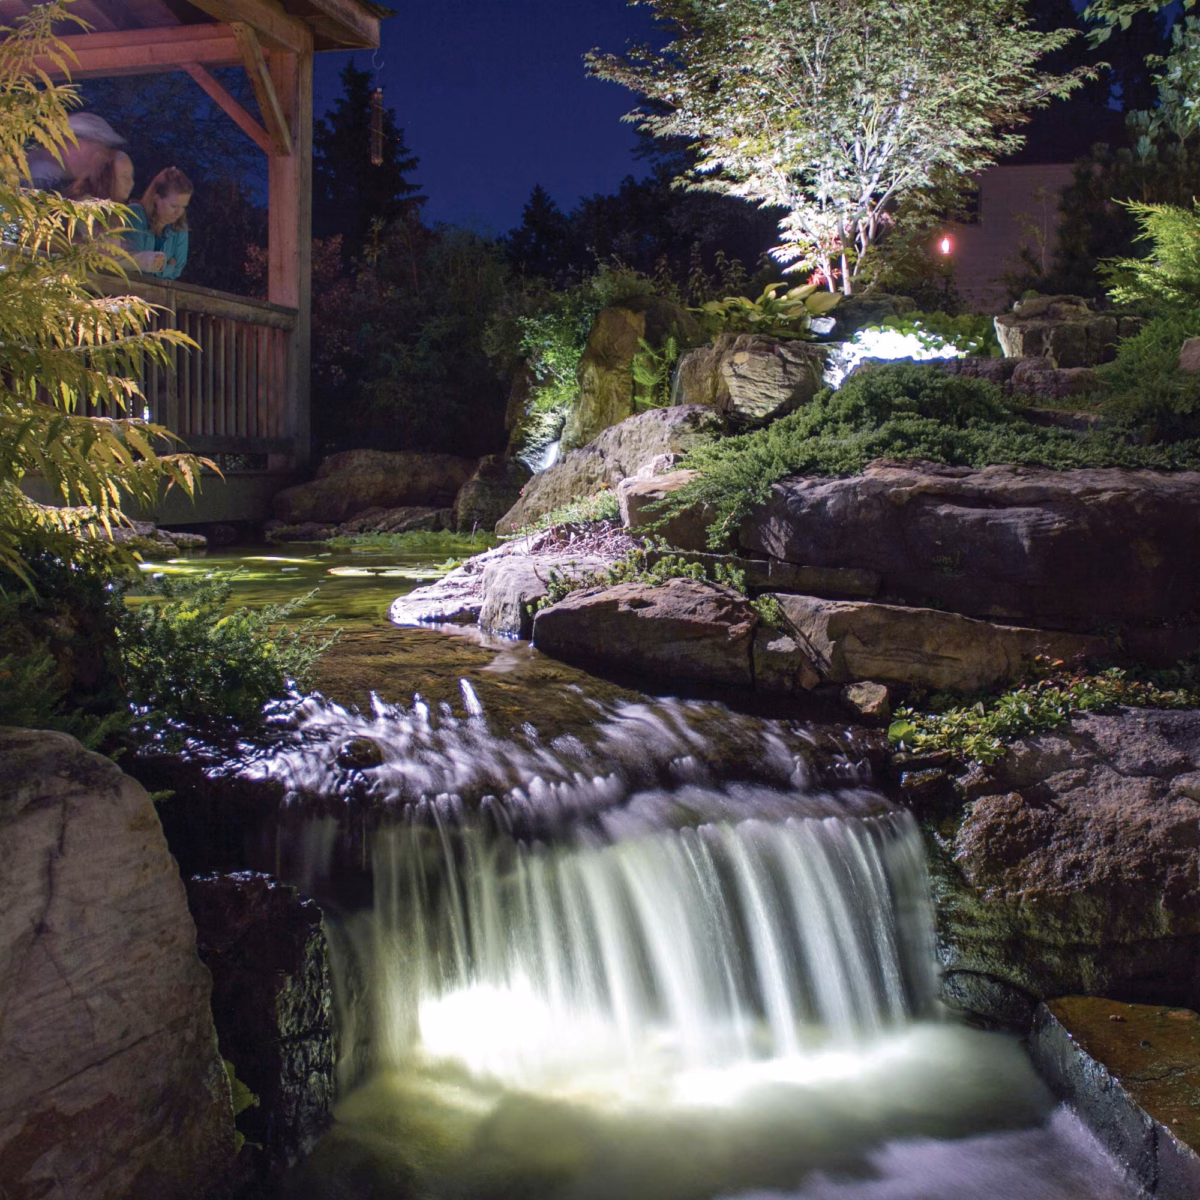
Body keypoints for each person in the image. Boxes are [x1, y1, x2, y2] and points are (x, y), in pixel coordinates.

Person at [27, 112, 126, 192]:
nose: (102, 158)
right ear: (78, 143)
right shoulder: (40, 177)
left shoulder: (61, 180)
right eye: (99, 148)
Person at [125, 166, 193, 278]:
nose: (179, 212)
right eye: (174, 206)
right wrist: (168, 267)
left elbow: (177, 271)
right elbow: (132, 264)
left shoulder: (180, 229)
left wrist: (153, 266)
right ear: (157, 198)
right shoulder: (135, 215)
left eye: (183, 207)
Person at [65, 148, 134, 203]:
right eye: (124, 176)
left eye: (131, 176)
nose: (131, 183)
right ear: (107, 178)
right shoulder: (88, 207)